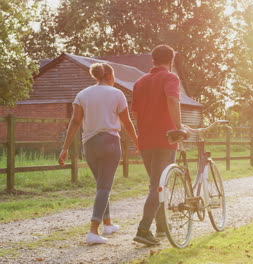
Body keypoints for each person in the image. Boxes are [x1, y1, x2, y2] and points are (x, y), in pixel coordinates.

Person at [58, 63, 138, 244]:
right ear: (110, 75)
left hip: (90, 144)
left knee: (101, 184)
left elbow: (75, 122)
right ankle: (93, 231)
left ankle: (108, 224)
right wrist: (137, 141)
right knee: (104, 186)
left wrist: (65, 148)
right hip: (110, 142)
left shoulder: (82, 94)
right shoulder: (117, 94)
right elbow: (126, 122)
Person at [131, 45, 185, 245]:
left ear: (152, 60)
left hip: (145, 140)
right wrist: (178, 127)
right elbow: (172, 100)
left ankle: (161, 227)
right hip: (166, 138)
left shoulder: (139, 82)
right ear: (171, 60)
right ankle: (143, 229)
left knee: (156, 184)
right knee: (157, 186)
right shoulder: (171, 77)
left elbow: (135, 113)